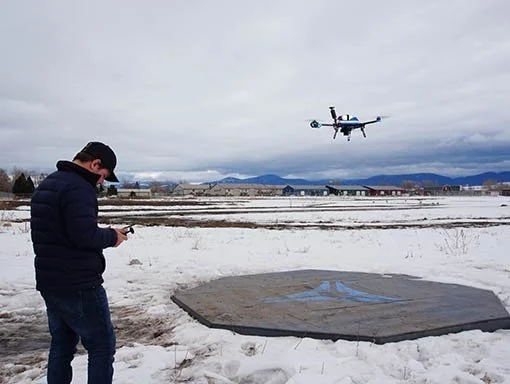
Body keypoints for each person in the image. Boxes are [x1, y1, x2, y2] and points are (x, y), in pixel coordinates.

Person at [31, 141, 129, 384]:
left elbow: (66, 232)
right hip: (79, 284)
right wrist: (112, 236)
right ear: (95, 164)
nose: (102, 182)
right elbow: (84, 235)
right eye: (103, 176)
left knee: (62, 347)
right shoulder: (79, 188)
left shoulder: (49, 183)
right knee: (102, 347)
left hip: (50, 282)